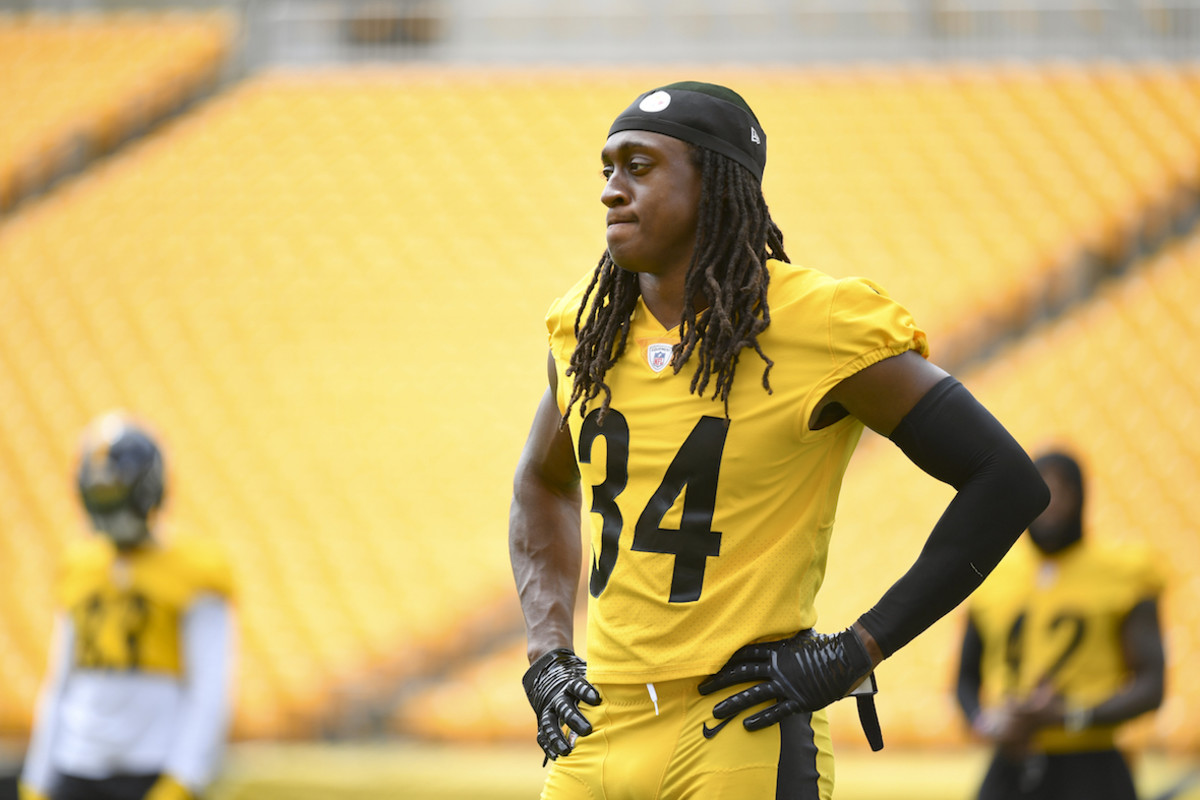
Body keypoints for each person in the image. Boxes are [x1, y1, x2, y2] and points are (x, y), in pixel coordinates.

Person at [509, 80, 1049, 799]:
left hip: (737, 725)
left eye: (639, 166)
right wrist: (548, 651)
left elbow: (1006, 479)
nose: (611, 188)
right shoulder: (583, 324)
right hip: (597, 726)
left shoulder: (821, 322)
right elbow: (542, 483)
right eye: (607, 168)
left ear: (716, 183)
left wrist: (858, 649)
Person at [19, 413, 235, 800]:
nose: (109, 504)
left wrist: (183, 779)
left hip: (150, 768)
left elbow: (210, 688)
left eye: (116, 491)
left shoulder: (197, 569)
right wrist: (37, 778)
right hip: (77, 766)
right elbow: (60, 682)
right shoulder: (79, 566)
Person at [955, 450, 1166, 800]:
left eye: (1062, 489)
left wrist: (1072, 715)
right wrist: (990, 724)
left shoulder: (1125, 572)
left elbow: (1151, 685)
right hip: (1010, 762)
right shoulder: (993, 575)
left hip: (1092, 766)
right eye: (1042, 489)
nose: (1051, 504)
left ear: (1082, 496)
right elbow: (964, 679)